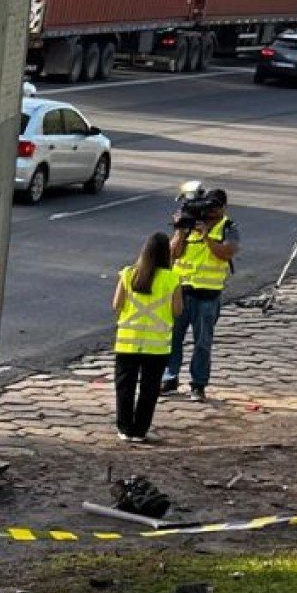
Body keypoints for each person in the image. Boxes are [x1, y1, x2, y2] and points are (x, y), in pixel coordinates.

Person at [162, 183, 238, 399]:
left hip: (208, 295)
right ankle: (169, 378)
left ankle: (198, 384)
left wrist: (206, 236)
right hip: (182, 292)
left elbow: (226, 253)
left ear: (223, 208)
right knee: (172, 339)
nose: (209, 213)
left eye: (213, 209)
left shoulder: (227, 227)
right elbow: (173, 254)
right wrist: (180, 231)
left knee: (202, 343)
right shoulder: (189, 224)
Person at [112, 232, 182, 442]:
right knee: (149, 388)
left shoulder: (128, 274)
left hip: (128, 341)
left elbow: (116, 304)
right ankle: (140, 430)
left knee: (125, 386)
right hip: (157, 345)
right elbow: (177, 311)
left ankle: (124, 428)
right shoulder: (172, 278)